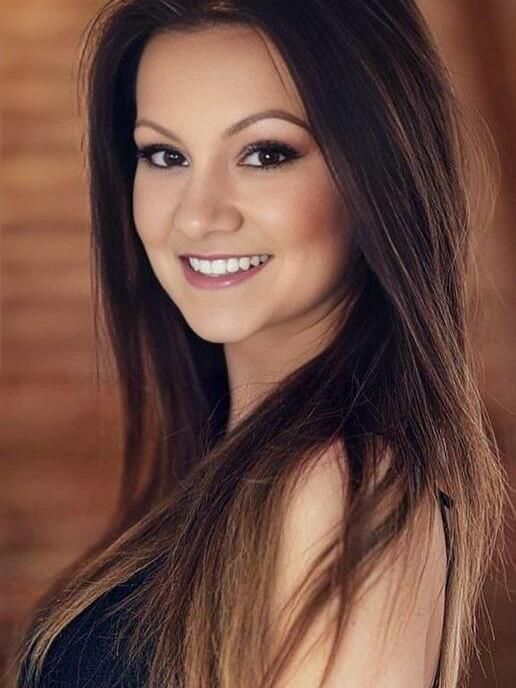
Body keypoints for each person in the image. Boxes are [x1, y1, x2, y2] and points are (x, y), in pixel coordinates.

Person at [11, 1, 509, 687]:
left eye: (265, 153)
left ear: (375, 176)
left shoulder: (342, 482)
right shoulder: (232, 475)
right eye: (165, 155)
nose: (197, 215)